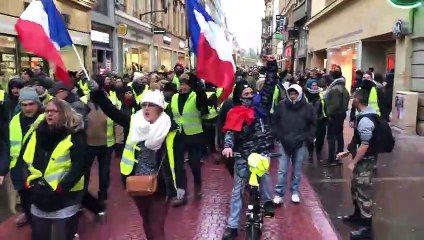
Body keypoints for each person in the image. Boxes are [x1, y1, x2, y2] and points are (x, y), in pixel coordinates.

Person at [90, 81, 176, 240]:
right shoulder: (134, 122)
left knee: (157, 227)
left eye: (151, 105)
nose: (147, 108)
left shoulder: (168, 127)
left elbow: (175, 159)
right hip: (136, 184)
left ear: (160, 108)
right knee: (147, 223)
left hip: (160, 187)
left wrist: (178, 187)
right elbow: (113, 112)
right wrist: (98, 93)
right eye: (144, 105)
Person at [221, 56, 278, 240]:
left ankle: (268, 202)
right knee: (237, 190)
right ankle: (232, 226)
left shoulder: (261, 107)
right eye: (245, 94)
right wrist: (228, 147)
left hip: (261, 151)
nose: (249, 96)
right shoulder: (234, 112)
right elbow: (230, 132)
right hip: (242, 155)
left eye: (251, 93)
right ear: (239, 96)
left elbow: (270, 85)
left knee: (265, 174)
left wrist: (271, 65)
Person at [22, 98, 86, 240]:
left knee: (62, 235)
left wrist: (62, 187)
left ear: (64, 113)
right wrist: (29, 180)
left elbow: (79, 165)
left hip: (65, 196)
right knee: (39, 234)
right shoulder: (38, 132)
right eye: (47, 111)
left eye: (54, 111)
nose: (49, 114)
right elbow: (28, 158)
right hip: (40, 193)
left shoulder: (75, 134)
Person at [338, 89, 378, 240]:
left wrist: (353, 163)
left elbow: (364, 146)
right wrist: (348, 153)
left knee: (364, 193)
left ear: (357, 100)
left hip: (365, 163)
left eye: (354, 97)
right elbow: (358, 141)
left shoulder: (366, 120)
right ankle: (357, 215)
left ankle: (367, 228)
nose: (352, 99)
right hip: (361, 160)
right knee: (355, 188)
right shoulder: (364, 115)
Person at [4, 87, 45, 227]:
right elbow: (8, 144)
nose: (27, 108)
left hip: (39, 169)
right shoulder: (14, 121)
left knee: (40, 202)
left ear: (37, 104)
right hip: (19, 168)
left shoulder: (45, 119)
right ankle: (30, 220)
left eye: (31, 104)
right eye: (24, 104)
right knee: (26, 200)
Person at [166, 73, 208, 207]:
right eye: (181, 84)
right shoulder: (174, 98)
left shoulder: (196, 96)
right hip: (178, 136)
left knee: (194, 165)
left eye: (185, 85)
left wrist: (197, 81)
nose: (182, 87)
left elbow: (203, 106)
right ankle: (181, 194)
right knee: (178, 166)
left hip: (194, 136)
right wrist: (171, 124)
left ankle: (197, 185)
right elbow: (169, 115)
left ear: (190, 86)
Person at [272, 84, 316, 205]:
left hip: (300, 142)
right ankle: (279, 193)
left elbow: (312, 124)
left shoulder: (308, 108)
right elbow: (274, 121)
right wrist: (277, 134)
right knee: (282, 170)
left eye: (295, 93)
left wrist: (307, 137)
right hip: (284, 141)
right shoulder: (281, 106)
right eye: (290, 93)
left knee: (297, 170)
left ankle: (295, 191)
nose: (292, 96)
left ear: (300, 94)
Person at [323, 74, 350, 166]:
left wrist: (328, 113)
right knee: (339, 135)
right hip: (341, 114)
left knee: (331, 136)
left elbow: (335, 104)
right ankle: (338, 156)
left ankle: (331, 158)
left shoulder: (335, 90)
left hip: (335, 115)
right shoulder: (344, 89)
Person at [304, 80, 327, 161]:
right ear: (310, 86)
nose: (315, 86)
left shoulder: (321, 95)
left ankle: (318, 152)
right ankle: (310, 153)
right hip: (309, 121)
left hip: (320, 120)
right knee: (310, 139)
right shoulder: (305, 96)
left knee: (320, 138)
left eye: (316, 85)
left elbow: (324, 106)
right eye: (313, 85)